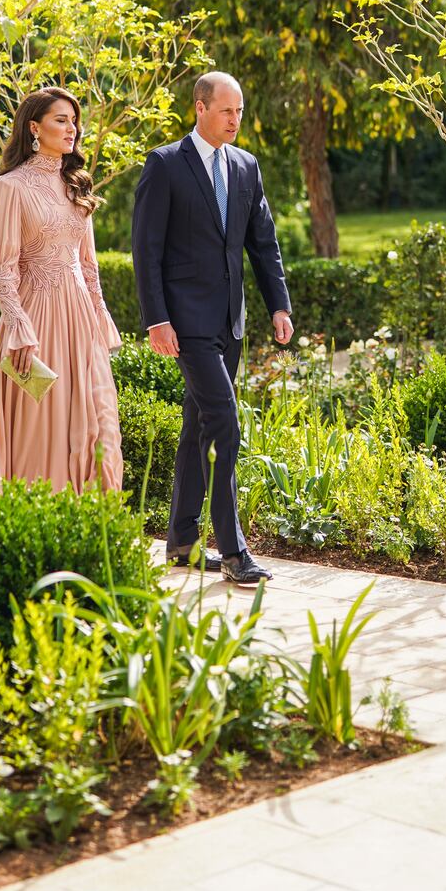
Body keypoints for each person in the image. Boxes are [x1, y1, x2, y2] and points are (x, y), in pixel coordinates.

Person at [132, 71, 293, 584]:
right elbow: (147, 250)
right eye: (227, 111)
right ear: (199, 108)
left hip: (231, 320)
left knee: (197, 429)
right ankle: (233, 551)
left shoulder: (246, 166)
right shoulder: (165, 164)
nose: (236, 120)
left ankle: (180, 542)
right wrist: (156, 318)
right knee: (225, 424)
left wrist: (279, 306)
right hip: (185, 322)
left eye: (240, 111)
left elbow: (262, 243)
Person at [0, 86, 123, 494]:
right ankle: (40, 524)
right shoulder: (10, 187)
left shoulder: (77, 184)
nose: (72, 129)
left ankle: (90, 525)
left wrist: (100, 316)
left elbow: (88, 264)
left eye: (74, 121)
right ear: (34, 128)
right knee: (44, 426)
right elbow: (2, 268)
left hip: (81, 321)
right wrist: (18, 326)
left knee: (100, 424)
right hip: (37, 321)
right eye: (61, 120)